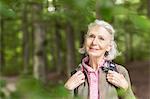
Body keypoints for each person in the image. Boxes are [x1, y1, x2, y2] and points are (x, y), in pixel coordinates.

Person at [64, 19, 136, 99]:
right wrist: (67, 90)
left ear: (109, 46)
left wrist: (126, 89)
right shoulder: (76, 74)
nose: (94, 42)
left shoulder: (120, 72)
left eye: (101, 38)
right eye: (91, 36)